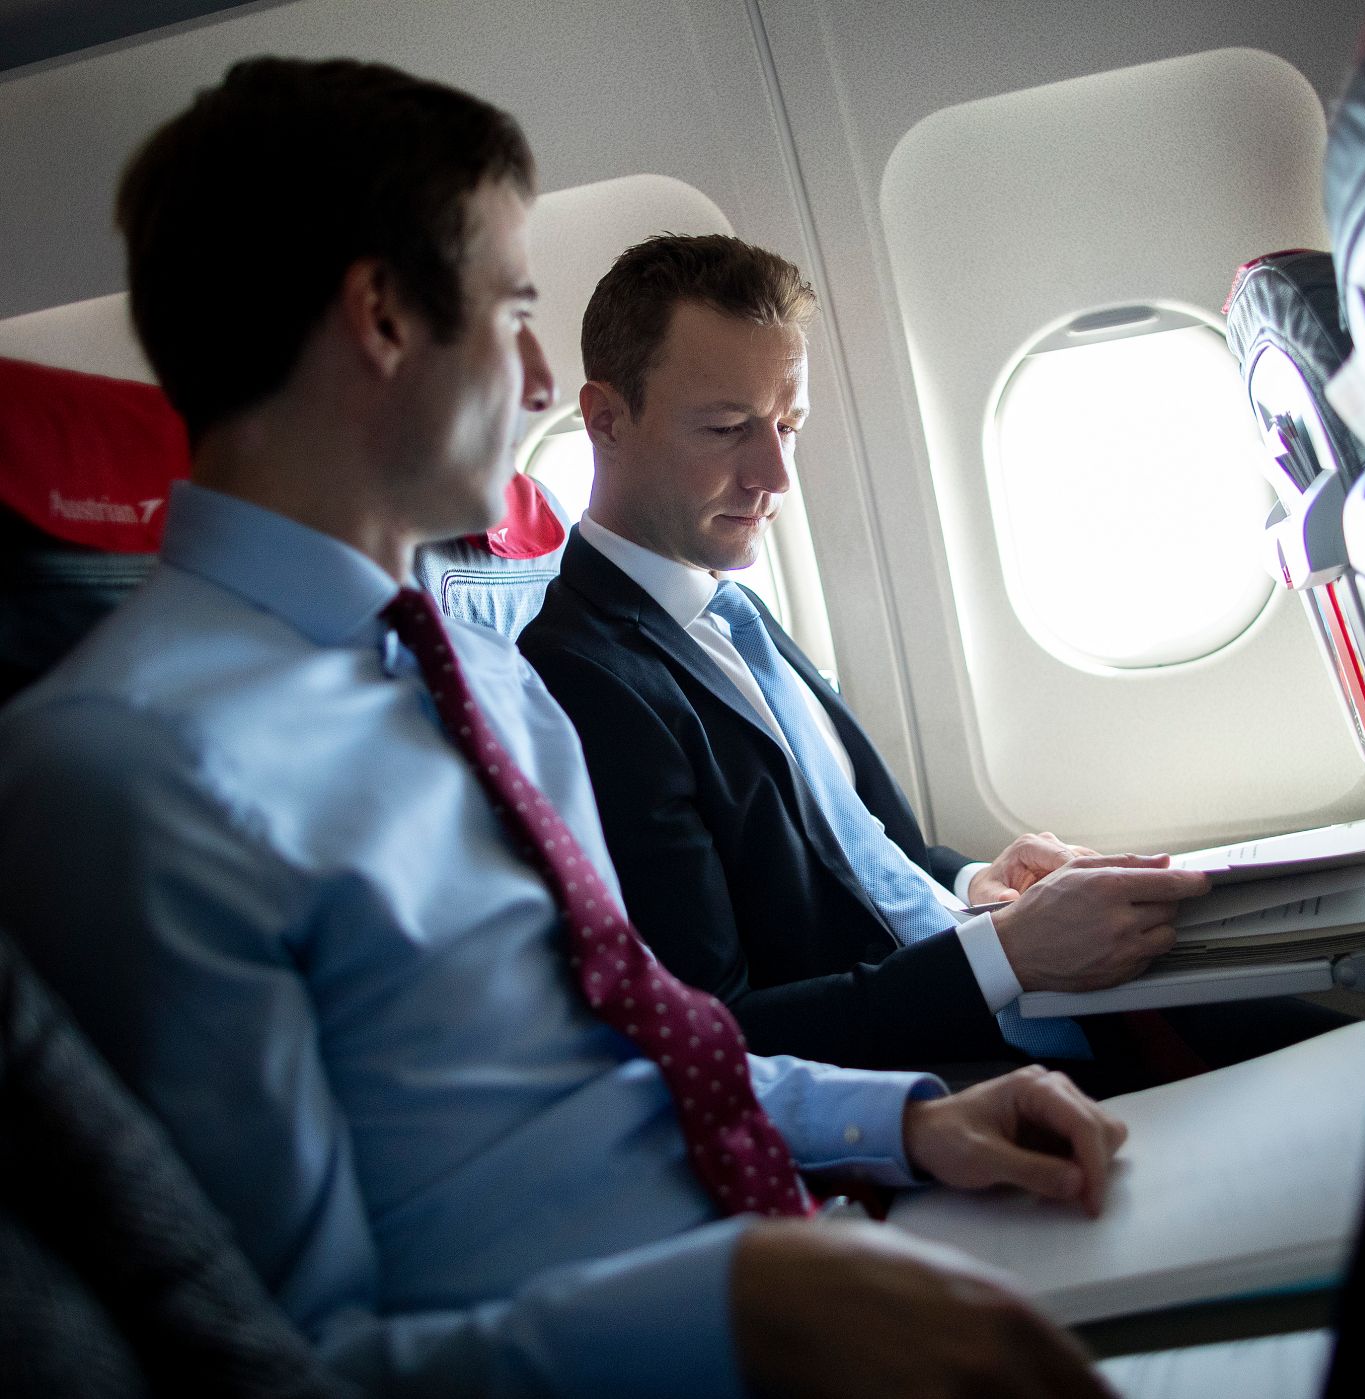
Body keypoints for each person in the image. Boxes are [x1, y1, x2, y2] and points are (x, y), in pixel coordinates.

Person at [0, 57, 1126, 1398]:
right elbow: (280, 1362)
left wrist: (906, 1119)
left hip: (787, 1260)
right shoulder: (128, 767)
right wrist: (736, 1308)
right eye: (513, 311)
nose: (542, 377)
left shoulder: (482, 677)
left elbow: (645, 1058)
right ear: (380, 317)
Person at [520, 234, 1342, 1083]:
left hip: (1009, 991)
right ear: (606, 419)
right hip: (953, 1067)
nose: (776, 475)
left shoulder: (728, 610)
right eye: (727, 428)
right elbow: (726, 1033)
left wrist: (984, 880)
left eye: (787, 425)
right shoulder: (586, 679)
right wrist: (1009, 958)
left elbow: (862, 862)